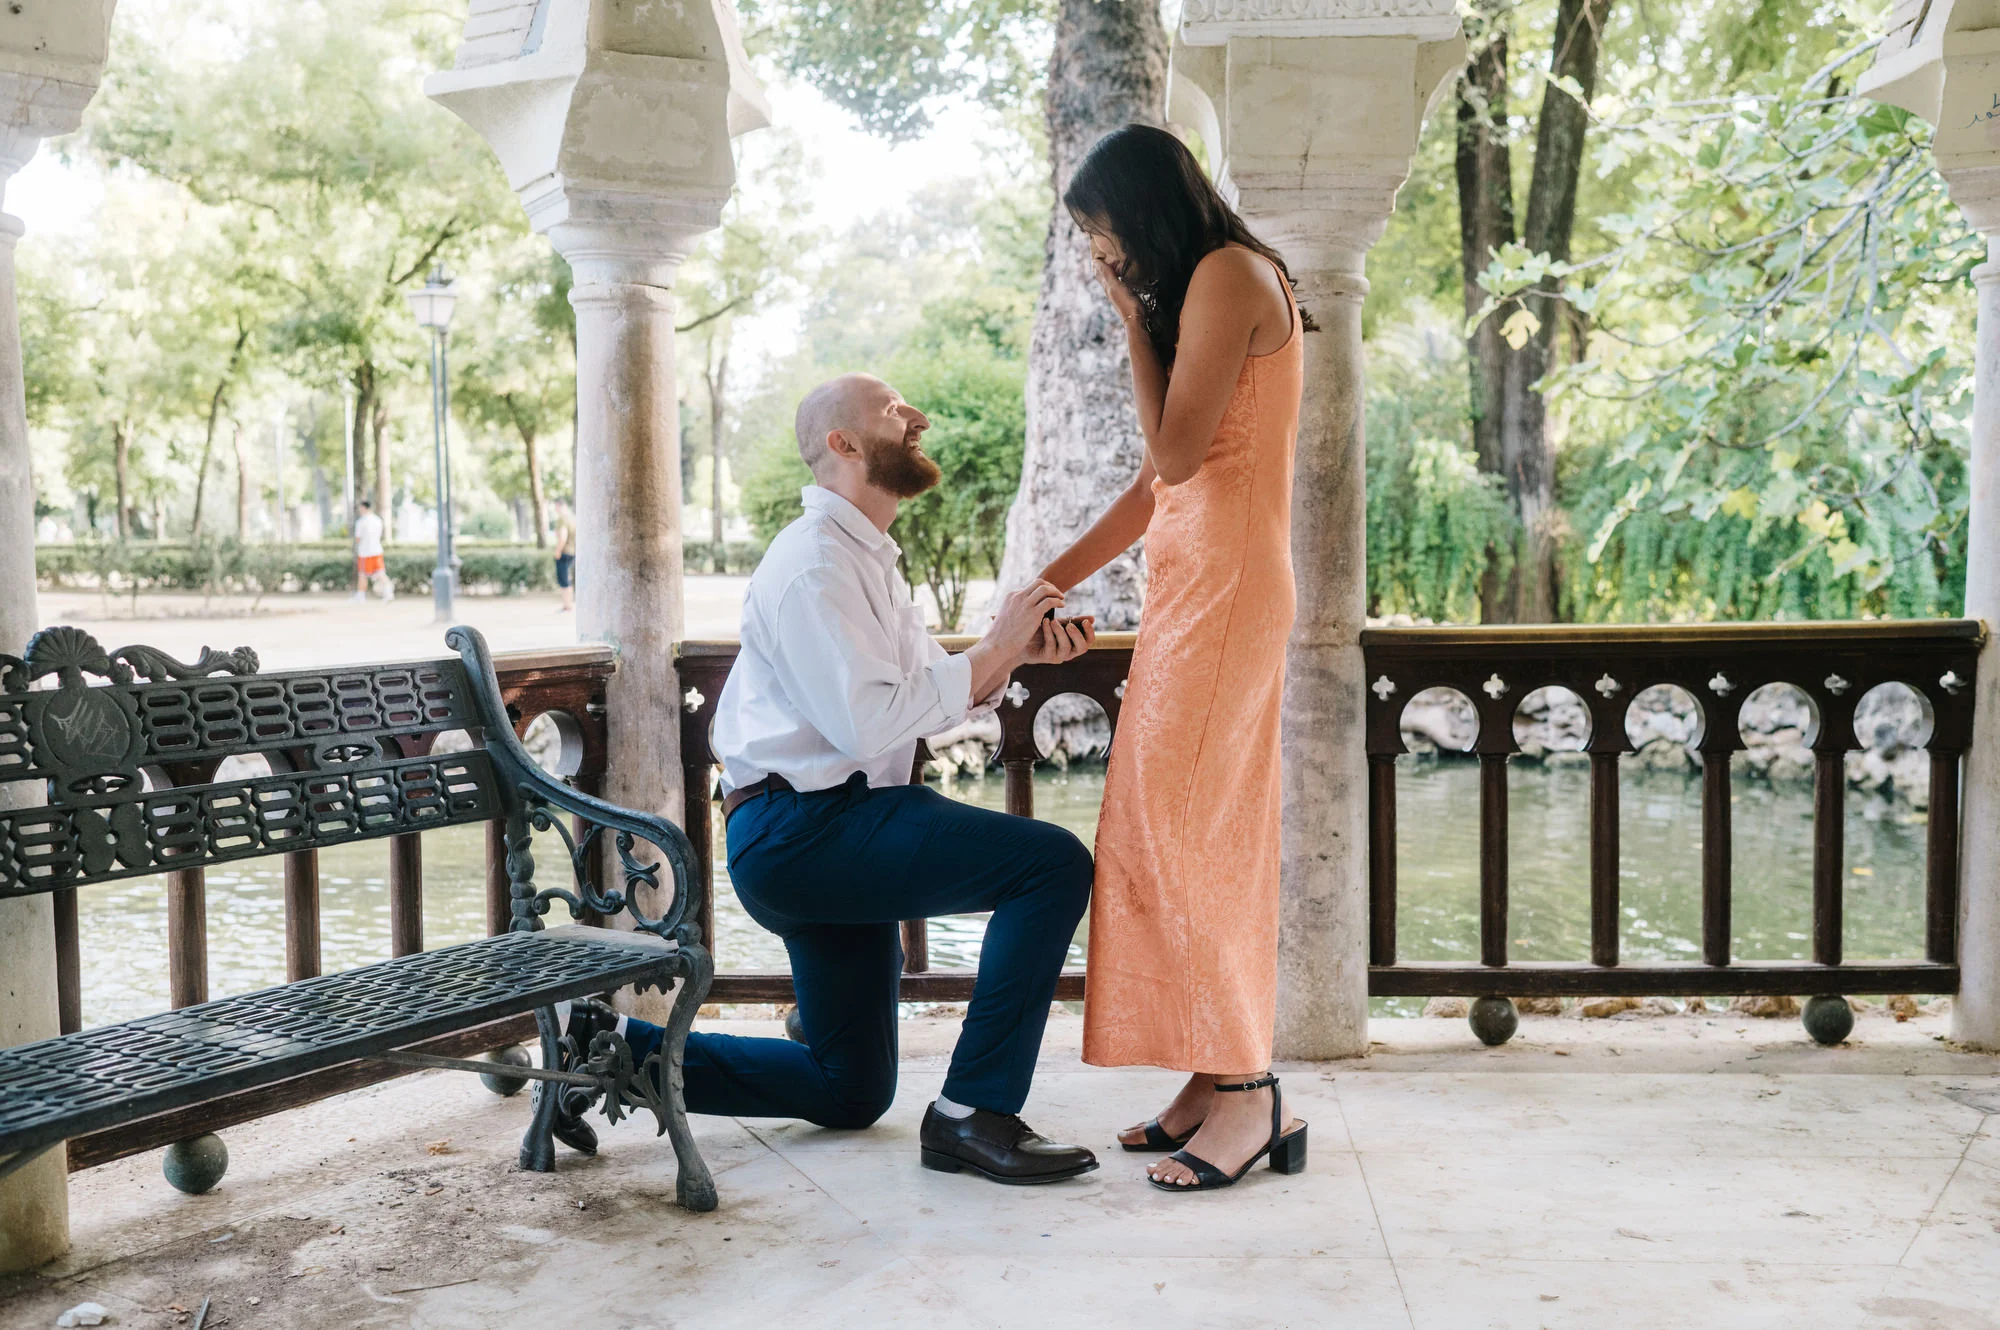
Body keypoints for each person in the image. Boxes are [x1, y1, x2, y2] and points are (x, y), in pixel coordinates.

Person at [557, 372, 1102, 1185]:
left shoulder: (866, 559)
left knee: (850, 1092)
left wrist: (1012, 650)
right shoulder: (814, 565)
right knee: (1051, 864)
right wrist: (993, 653)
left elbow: (922, 704)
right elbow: (867, 723)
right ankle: (973, 1111)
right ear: (844, 446)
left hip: (831, 832)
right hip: (807, 832)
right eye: (893, 410)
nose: (917, 414)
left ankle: (602, 1050)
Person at [1037, 124, 1308, 1192]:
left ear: (1143, 210)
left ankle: (1248, 1091)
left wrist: (1123, 324)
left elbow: (1175, 452)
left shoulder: (1230, 275)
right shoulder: (1204, 284)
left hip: (1230, 592)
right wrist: (1047, 581)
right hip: (1193, 587)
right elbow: (1159, 493)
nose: (1103, 255)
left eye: (1104, 234)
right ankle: (1211, 1069)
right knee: (1158, 825)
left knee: (1194, 829)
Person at [352, 499, 391, 602]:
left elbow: (358, 538)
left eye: (360, 507)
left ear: (364, 508)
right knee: (381, 573)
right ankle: (389, 593)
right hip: (377, 551)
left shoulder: (361, 522)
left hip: (365, 552)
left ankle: (360, 596)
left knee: (362, 574)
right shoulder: (378, 520)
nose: (359, 510)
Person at [550, 501, 575, 613]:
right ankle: (568, 603)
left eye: (557, 507)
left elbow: (563, 536)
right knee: (567, 578)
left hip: (564, 552)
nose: (556, 510)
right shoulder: (573, 519)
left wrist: (557, 551)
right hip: (572, 552)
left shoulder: (562, 520)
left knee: (563, 579)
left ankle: (567, 605)